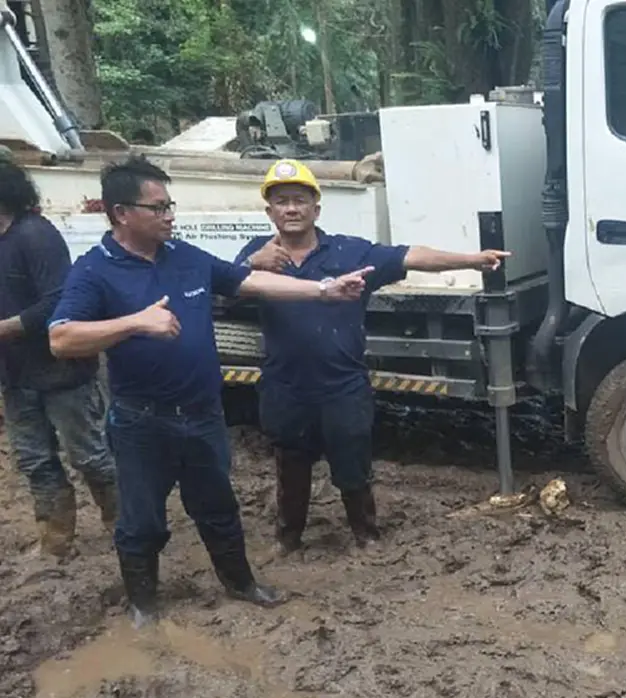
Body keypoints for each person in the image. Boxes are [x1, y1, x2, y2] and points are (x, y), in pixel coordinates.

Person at [48, 155, 373, 626]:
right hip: (142, 422)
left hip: (202, 415)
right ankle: (143, 605)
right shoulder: (95, 270)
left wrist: (324, 290)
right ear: (122, 213)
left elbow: (249, 280)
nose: (169, 216)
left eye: (169, 205)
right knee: (142, 520)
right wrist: (135, 322)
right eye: (158, 208)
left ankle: (241, 584)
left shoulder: (185, 256)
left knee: (218, 508)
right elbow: (61, 338)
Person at [232, 159, 509, 552]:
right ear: (269, 212)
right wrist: (251, 264)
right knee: (290, 466)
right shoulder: (256, 255)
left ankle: (366, 535)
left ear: (316, 209)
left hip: (343, 386)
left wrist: (472, 260)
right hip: (284, 386)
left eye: (299, 200)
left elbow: (410, 256)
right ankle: (288, 539)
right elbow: (222, 286)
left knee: (353, 466)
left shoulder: (349, 251)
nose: (291, 208)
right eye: (281, 201)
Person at [0, 159, 118, 559]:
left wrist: (6, 328)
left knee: (90, 456)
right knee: (34, 460)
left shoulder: (35, 235)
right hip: (15, 375)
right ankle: (55, 542)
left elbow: (57, 301)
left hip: (62, 370)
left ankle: (126, 528)